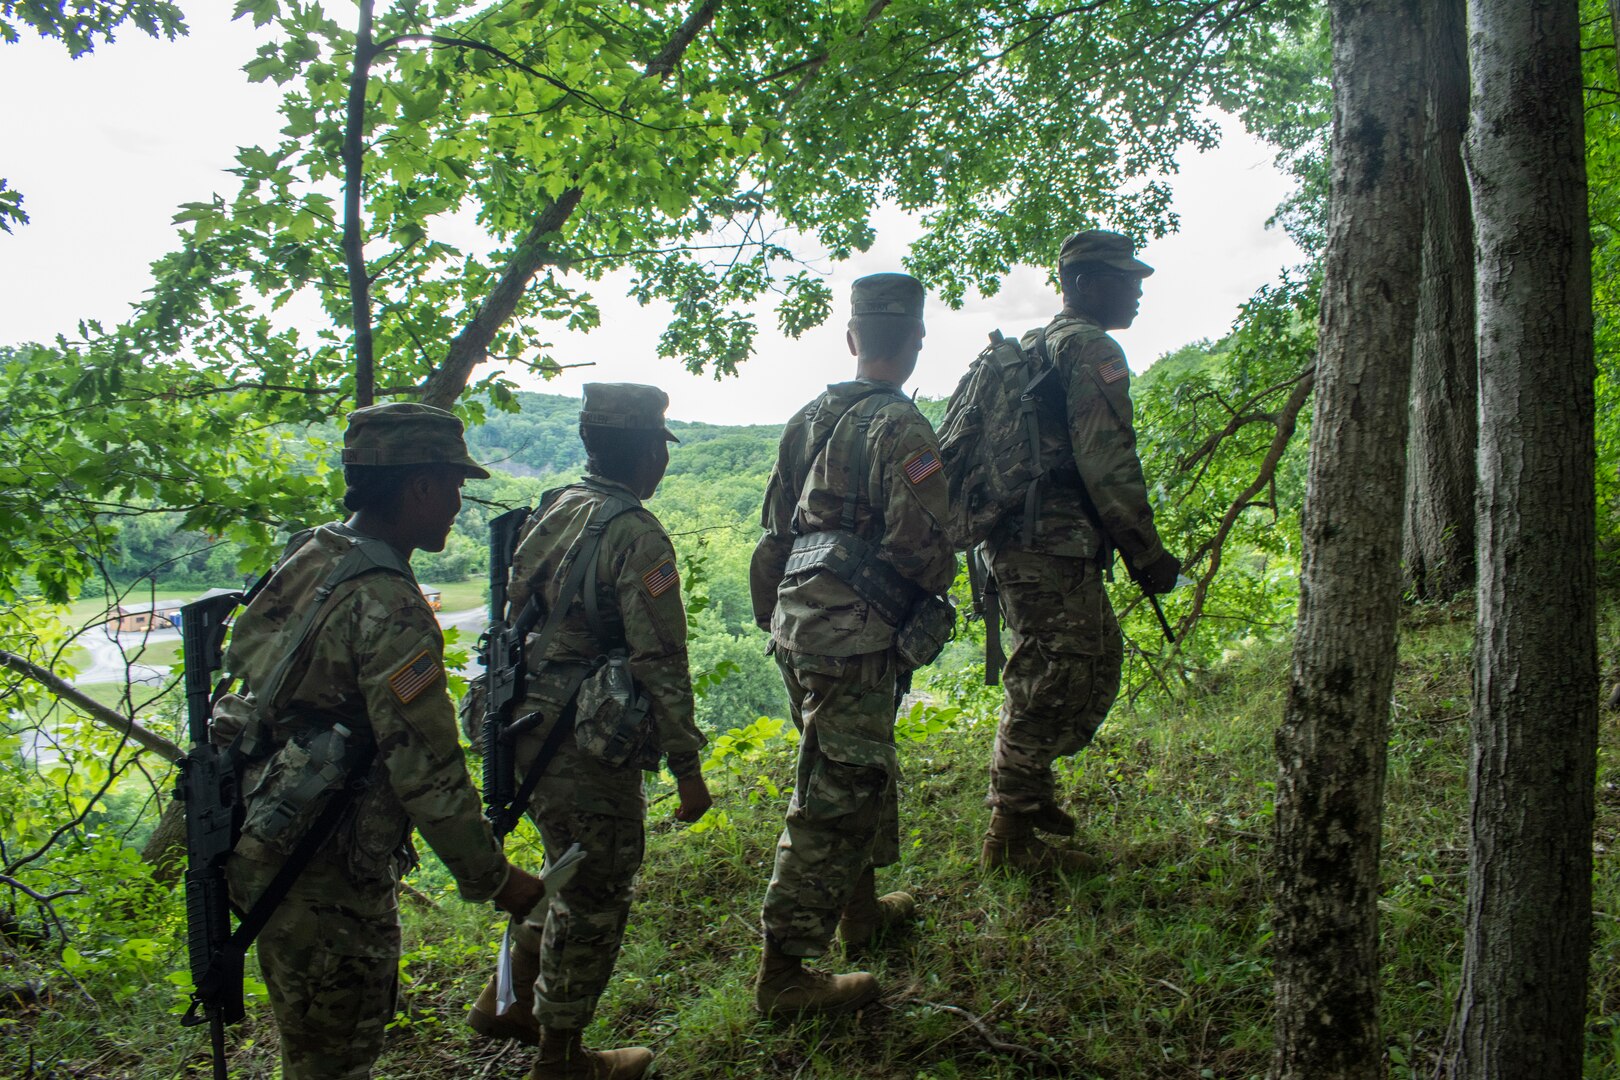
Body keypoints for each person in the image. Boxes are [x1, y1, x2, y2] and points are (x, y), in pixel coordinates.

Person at [216, 402, 545, 1080]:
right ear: (418, 486)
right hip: (324, 864)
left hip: (263, 832)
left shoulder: (316, 553)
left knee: (312, 1045)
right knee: (335, 1057)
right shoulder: (390, 604)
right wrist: (494, 878)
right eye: (453, 484)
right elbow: (426, 769)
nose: (459, 502)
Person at [465, 383, 711, 1080]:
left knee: (565, 863)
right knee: (597, 886)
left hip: (517, 720)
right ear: (644, 456)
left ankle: (508, 1000)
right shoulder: (635, 532)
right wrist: (687, 770)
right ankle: (560, 1057)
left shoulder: (556, 507)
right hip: (579, 735)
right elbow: (660, 658)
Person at [748, 273, 956, 1016]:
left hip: (796, 623)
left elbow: (775, 533)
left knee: (853, 768)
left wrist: (777, 620)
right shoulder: (904, 428)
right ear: (916, 343)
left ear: (851, 339)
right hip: (855, 637)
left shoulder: (809, 416)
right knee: (835, 794)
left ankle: (860, 913)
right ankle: (784, 975)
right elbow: (924, 544)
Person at [978, 229, 1181, 877]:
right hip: (1052, 544)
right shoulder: (1091, 348)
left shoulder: (1034, 346)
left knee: (1064, 662)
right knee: (1062, 672)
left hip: (1013, 540)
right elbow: (1108, 463)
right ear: (1087, 284)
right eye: (1128, 278)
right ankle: (1009, 830)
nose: (1141, 289)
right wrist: (1146, 551)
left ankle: (1029, 796)